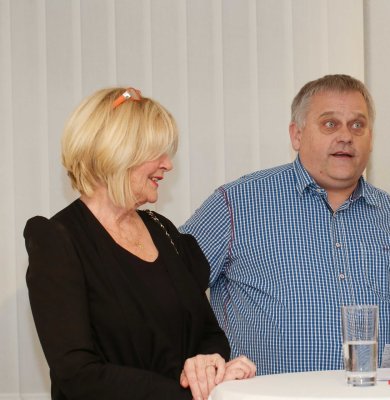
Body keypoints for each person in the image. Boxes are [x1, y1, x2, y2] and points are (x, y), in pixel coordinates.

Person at [181, 74, 390, 375]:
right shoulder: (236, 204)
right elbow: (167, 291)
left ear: (371, 138)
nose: (346, 136)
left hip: (375, 394)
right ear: (296, 135)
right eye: (330, 124)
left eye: (357, 125)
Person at [24, 87, 255, 400]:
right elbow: (79, 375)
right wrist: (188, 395)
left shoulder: (163, 230)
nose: (168, 164)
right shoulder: (58, 239)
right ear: (117, 154)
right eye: (156, 152)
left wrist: (207, 367)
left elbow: (208, 333)